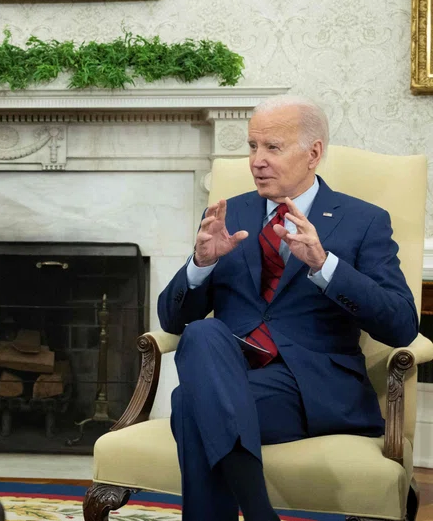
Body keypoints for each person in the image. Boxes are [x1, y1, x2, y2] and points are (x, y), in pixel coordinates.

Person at [158, 95, 419, 521]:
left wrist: (325, 264)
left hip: (311, 390)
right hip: (233, 373)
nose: (257, 161)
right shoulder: (228, 213)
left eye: (272, 148)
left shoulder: (363, 220)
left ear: (313, 152)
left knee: (190, 405)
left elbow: (402, 325)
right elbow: (170, 319)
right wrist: (200, 265)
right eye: (252, 147)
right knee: (202, 334)